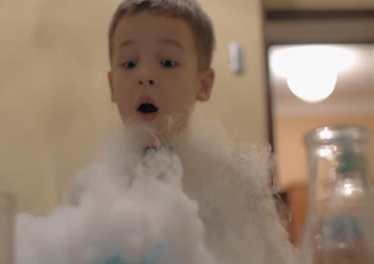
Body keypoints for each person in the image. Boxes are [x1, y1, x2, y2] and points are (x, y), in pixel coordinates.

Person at [67, 0, 295, 264]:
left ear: (204, 84)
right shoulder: (88, 189)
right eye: (129, 64)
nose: (145, 75)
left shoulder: (234, 180)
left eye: (167, 62)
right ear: (112, 86)